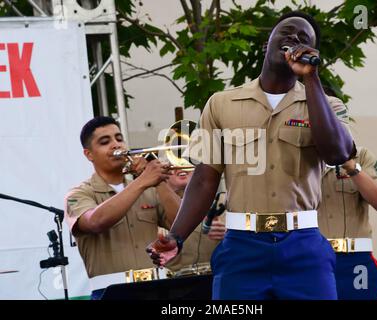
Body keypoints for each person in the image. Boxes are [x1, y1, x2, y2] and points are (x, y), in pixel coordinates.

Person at [147, 11, 355, 300]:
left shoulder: (325, 104)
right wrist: (177, 235)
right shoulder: (221, 103)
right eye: (286, 32)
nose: (294, 39)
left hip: (303, 246)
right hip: (241, 248)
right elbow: (205, 180)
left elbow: (339, 153)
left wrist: (311, 80)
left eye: (303, 38)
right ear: (267, 44)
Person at [64, 116, 180, 299]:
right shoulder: (78, 194)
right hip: (111, 292)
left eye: (119, 139)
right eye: (105, 142)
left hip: (156, 288)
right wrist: (143, 181)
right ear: (89, 154)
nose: (116, 145)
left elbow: (180, 224)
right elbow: (96, 222)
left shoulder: (147, 186)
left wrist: (159, 182)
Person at [318, 146, 377, 300]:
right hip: (313, 258)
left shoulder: (361, 156)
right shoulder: (299, 156)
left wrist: (352, 167)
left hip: (354, 260)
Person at [161, 169, 226, 274]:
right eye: (172, 163)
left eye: (185, 162)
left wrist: (228, 233)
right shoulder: (154, 204)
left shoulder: (222, 201)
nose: (181, 168)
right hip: (175, 280)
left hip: (216, 274)